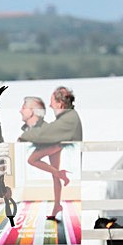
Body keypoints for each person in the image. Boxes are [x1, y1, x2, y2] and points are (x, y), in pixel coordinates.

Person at [18, 87, 83, 221]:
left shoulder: (69, 118)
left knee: (33, 160)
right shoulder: (67, 117)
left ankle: (60, 178)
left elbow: (46, 132)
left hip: (56, 144)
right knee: (55, 175)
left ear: (60, 104)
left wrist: (23, 137)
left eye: (52, 102)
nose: (50, 105)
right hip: (57, 144)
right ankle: (57, 205)